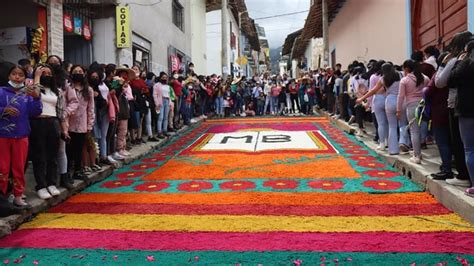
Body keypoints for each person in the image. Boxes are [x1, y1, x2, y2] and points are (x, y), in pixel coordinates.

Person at [0, 65, 42, 207]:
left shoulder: (26, 95)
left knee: (18, 167)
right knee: (3, 167)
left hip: (21, 136)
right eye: (14, 74)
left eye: (20, 75)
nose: (17, 77)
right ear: (9, 76)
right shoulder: (1, 92)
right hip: (3, 135)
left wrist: (37, 98)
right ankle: (3, 196)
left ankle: (18, 195)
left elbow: (36, 112)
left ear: (25, 78)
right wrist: (4, 110)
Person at [435, 31, 473, 187]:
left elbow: (440, 82)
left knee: (463, 145)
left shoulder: (457, 61)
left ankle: (464, 176)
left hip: (460, 105)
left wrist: (443, 64)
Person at [29, 65, 63, 200]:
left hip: (53, 121)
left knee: (52, 155)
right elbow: (36, 95)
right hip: (38, 122)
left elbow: (60, 109)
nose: (47, 75)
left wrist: (63, 127)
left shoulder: (56, 90)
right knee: (39, 155)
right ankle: (41, 185)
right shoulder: (33, 86)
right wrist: (36, 76)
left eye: (49, 73)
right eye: (44, 73)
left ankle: (51, 183)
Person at [449, 38, 474, 195]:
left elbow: (451, 80)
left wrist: (458, 61)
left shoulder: (465, 65)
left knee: (470, 149)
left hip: (466, 111)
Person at [397, 59, 429, 164]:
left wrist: (398, 110)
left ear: (406, 68)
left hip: (411, 106)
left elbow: (401, 96)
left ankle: (417, 155)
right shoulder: (425, 78)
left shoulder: (405, 80)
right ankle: (418, 151)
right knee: (422, 129)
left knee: (414, 131)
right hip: (423, 106)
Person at [67, 65, 95, 180]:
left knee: (79, 149)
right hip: (68, 124)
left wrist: (90, 124)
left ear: (84, 74)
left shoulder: (88, 90)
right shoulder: (68, 88)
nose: (78, 73)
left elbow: (90, 108)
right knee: (68, 150)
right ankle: (68, 171)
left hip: (82, 124)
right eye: (75, 71)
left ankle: (78, 170)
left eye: (80, 71)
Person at [153, 72, 171, 139]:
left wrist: (170, 103)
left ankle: (165, 130)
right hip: (161, 101)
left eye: (166, 77)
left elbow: (169, 95)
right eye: (163, 77)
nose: (164, 78)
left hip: (167, 101)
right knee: (160, 117)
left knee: (166, 117)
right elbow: (154, 95)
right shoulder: (157, 85)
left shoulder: (167, 86)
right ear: (160, 77)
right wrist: (157, 103)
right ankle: (159, 132)